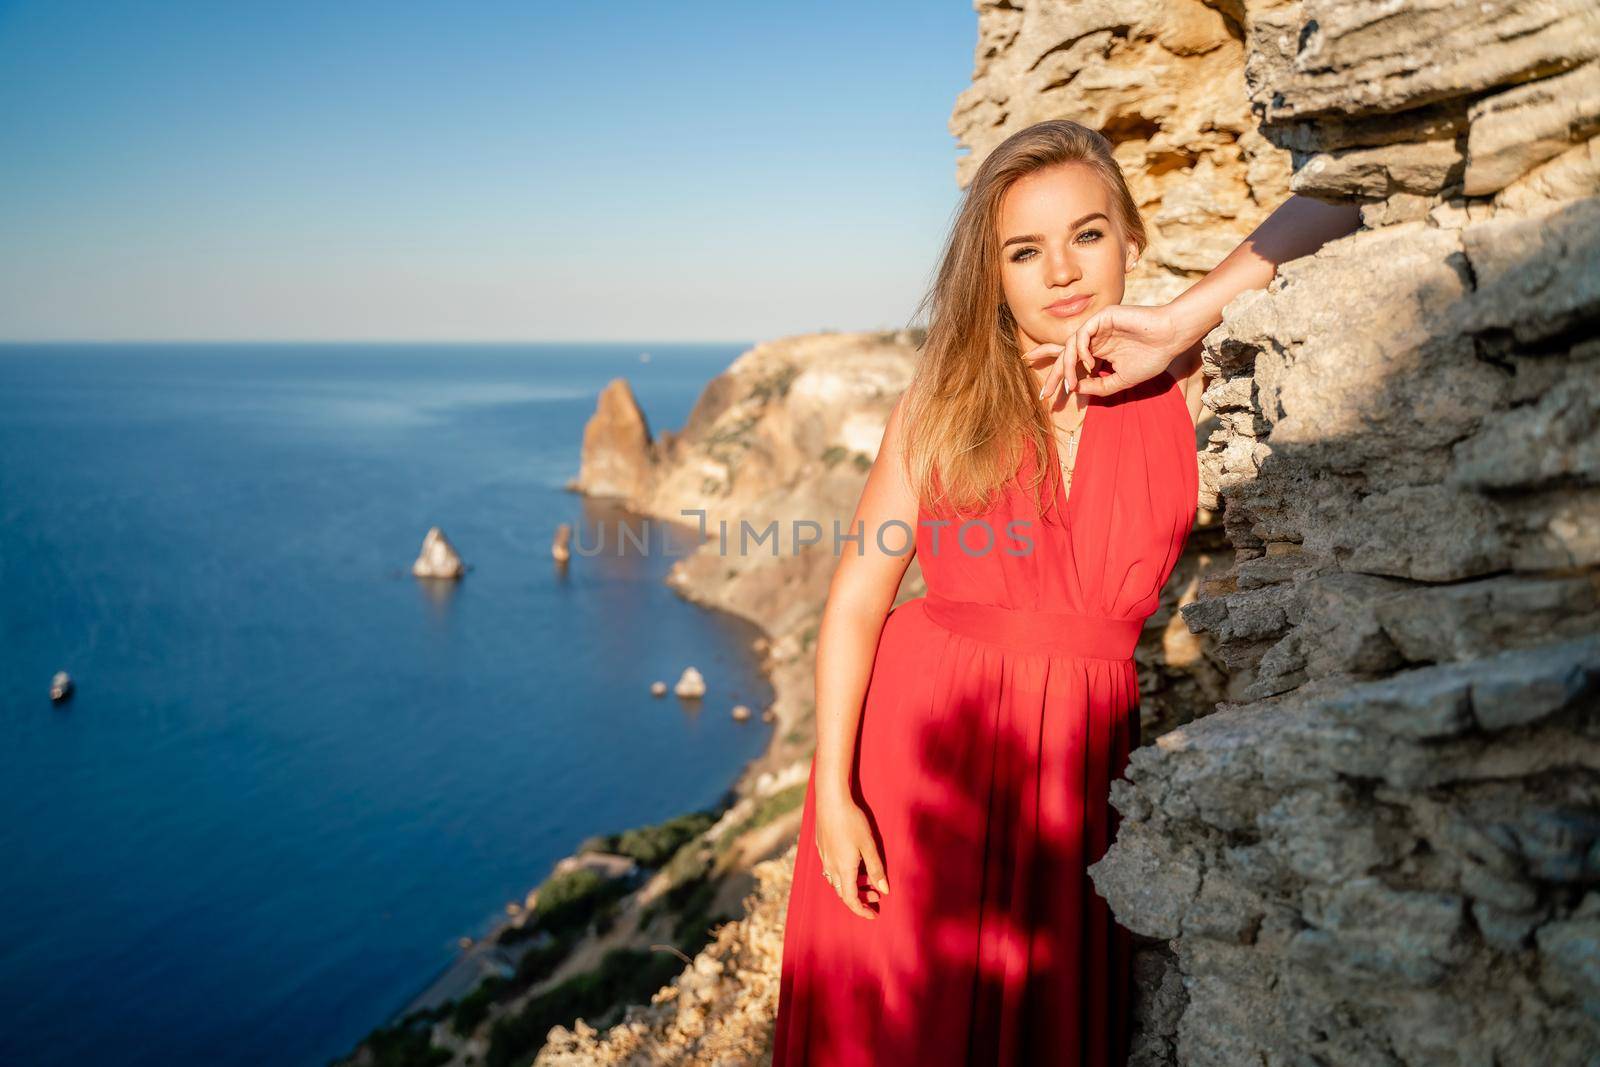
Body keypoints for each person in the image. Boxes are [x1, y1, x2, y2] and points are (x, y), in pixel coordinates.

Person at [771, 118, 1362, 1067]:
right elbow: (853, 601)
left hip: (1072, 764)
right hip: (916, 760)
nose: (1062, 271)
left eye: (1087, 232)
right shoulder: (943, 400)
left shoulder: (1175, 374)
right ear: (993, 271)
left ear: (1128, 233)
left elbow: (1343, 192)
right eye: (1024, 250)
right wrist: (833, 794)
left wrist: (1181, 317)